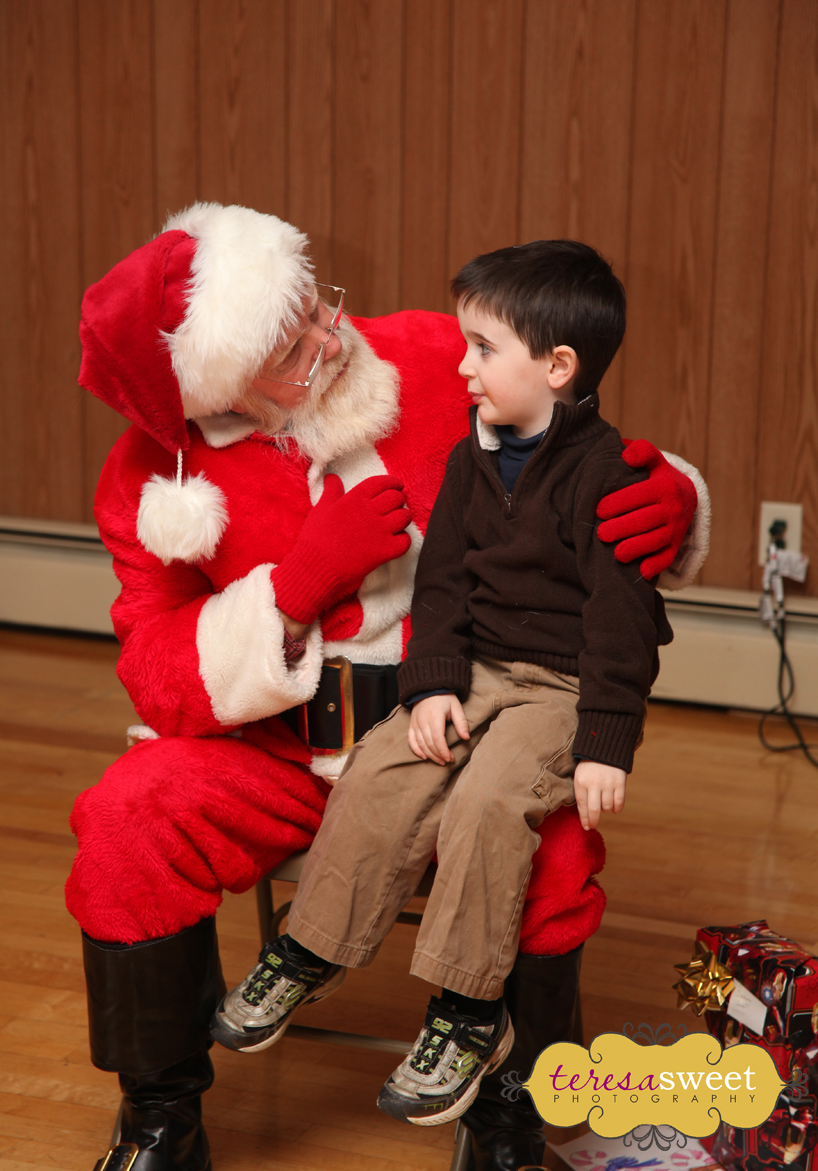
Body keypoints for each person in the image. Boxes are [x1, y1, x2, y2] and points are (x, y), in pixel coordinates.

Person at [67, 203, 708, 1171]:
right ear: (219, 384)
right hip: (281, 754)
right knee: (126, 823)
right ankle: (161, 1116)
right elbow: (157, 677)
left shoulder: (421, 352)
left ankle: (506, 1111)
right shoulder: (149, 483)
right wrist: (291, 590)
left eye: (317, 304)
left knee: (548, 850)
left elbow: (569, 425)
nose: (333, 336)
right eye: (292, 343)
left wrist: (669, 492)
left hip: (461, 726)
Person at [211, 239, 673, 1129]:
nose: (462, 365)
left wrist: (606, 742)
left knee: (489, 801)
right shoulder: (471, 457)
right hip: (479, 673)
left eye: (483, 348)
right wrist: (431, 688)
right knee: (384, 768)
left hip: (563, 689)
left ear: (557, 365)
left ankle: (466, 1011)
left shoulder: (605, 474)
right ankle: (308, 951)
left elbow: (622, 624)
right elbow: (444, 586)